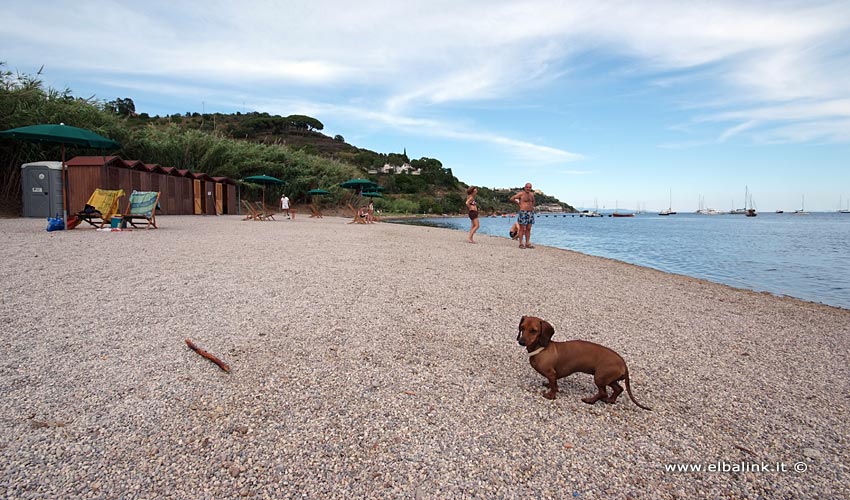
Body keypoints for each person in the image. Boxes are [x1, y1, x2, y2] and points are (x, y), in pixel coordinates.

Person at [509, 182, 535, 248]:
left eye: (529, 187)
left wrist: (532, 208)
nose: (528, 188)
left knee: (528, 228)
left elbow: (533, 202)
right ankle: (521, 243)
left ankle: (527, 243)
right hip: (523, 212)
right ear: (524, 187)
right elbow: (512, 198)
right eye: (527, 187)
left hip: (530, 212)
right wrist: (518, 203)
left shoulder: (532, 195)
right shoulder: (521, 194)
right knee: (522, 228)